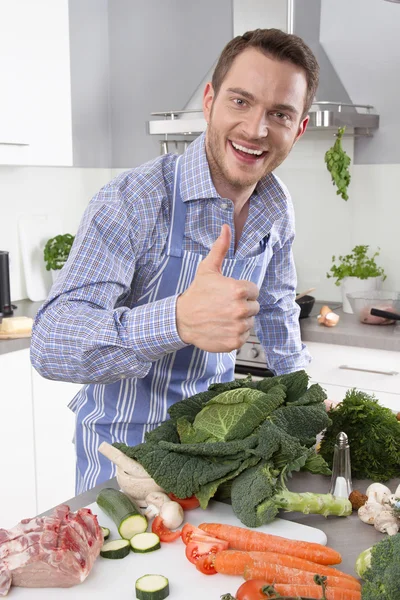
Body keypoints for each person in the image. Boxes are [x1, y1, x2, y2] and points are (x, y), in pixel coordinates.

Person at [31, 28, 320, 494]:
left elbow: (277, 308)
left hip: (216, 453)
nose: (255, 130)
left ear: (299, 128)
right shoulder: (132, 200)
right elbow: (50, 343)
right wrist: (177, 320)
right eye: (241, 102)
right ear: (209, 101)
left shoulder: (276, 205)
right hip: (124, 461)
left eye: (280, 114)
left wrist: (306, 402)